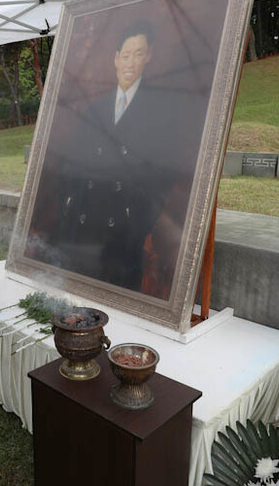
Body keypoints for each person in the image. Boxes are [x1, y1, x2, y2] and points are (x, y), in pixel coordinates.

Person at [25, 21, 197, 296]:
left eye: (138, 54)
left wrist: (141, 222)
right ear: (116, 59)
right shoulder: (96, 108)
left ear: (149, 55)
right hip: (82, 233)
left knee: (115, 312)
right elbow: (73, 164)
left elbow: (164, 173)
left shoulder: (160, 110)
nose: (131, 62)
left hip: (124, 237)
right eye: (125, 55)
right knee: (74, 304)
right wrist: (69, 211)